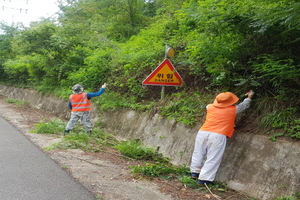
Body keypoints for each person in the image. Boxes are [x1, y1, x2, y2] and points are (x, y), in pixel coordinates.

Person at [190, 90, 254, 185]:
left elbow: (214, 104)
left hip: (203, 132)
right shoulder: (234, 109)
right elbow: (244, 105)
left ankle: (195, 173)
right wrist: (249, 97)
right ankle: (204, 179)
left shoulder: (209, 107)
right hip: (218, 135)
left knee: (198, 152)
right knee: (213, 157)